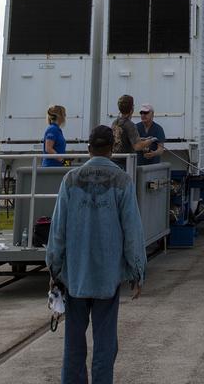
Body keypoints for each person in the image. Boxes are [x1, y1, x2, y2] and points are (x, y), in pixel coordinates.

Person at [46, 124, 145, 384]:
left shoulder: (70, 180)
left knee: (74, 345)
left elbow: (58, 231)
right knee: (105, 343)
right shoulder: (123, 181)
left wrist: (54, 270)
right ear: (112, 149)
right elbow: (132, 231)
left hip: (75, 277)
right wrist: (137, 270)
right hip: (107, 278)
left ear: (89, 149)